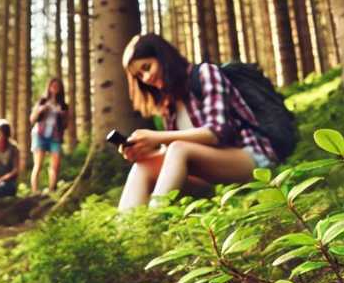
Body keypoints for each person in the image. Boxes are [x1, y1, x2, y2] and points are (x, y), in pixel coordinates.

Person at [117, 33, 276, 211]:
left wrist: (157, 137)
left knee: (179, 148)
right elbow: (175, 154)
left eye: (147, 67)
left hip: (250, 159)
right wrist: (147, 152)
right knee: (144, 166)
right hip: (208, 173)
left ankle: (154, 217)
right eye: (139, 75)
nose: (145, 78)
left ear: (163, 57)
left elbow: (216, 133)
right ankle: (127, 229)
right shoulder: (169, 102)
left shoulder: (205, 74)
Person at [29, 77, 69, 193]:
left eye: (57, 86)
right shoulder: (42, 101)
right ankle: (35, 192)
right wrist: (41, 110)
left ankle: (52, 191)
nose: (55, 88)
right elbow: (32, 119)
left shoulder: (63, 105)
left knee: (55, 166)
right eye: (53, 85)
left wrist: (63, 115)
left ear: (61, 89)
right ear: (49, 87)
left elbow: (66, 124)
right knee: (38, 165)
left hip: (55, 136)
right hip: (40, 134)